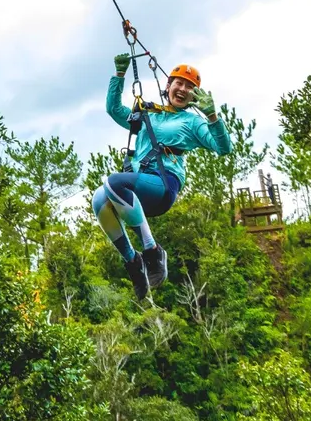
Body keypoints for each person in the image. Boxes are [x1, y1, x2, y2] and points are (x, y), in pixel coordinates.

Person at [92, 54, 233, 300]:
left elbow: (223, 148)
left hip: (164, 184)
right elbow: (113, 110)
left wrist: (212, 117)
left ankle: (152, 250)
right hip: (137, 188)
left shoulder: (192, 122)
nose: (183, 89)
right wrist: (120, 75)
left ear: (194, 97)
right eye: (179, 83)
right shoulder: (151, 115)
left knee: (113, 182)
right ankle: (133, 262)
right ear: (168, 86)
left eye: (190, 87)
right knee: (98, 199)